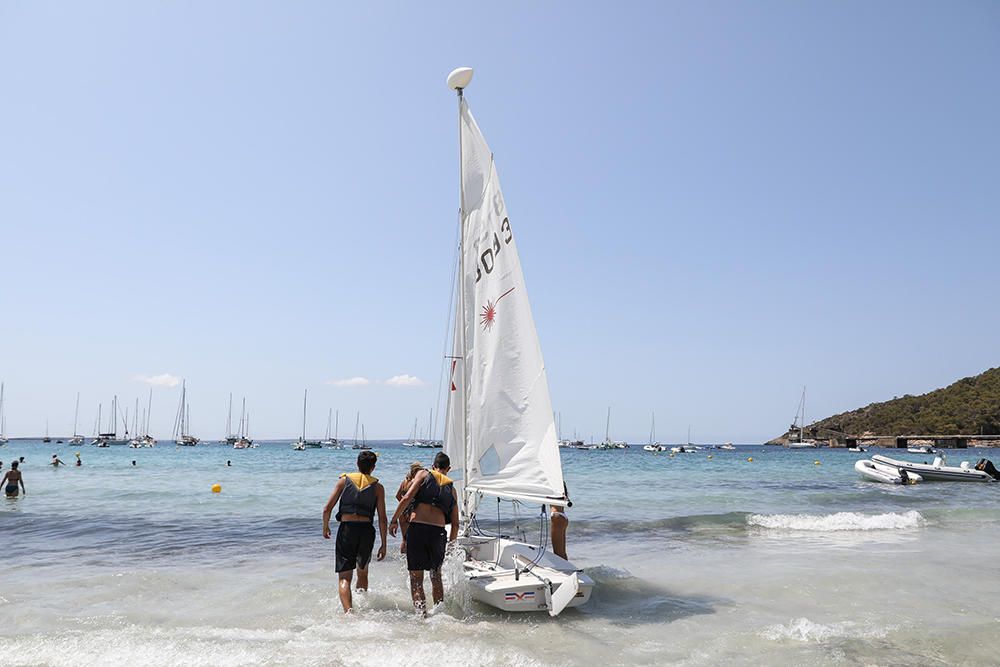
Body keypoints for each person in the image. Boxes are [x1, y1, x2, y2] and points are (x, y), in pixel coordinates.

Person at [389, 452, 459, 615]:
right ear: (448, 469)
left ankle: (422, 616)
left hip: (418, 530)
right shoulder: (452, 489)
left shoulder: (423, 474)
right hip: (438, 533)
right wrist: (451, 545)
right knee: (436, 576)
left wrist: (394, 520)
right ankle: (440, 614)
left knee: (416, 578)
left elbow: (406, 497)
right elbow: (455, 523)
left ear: (433, 466)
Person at [322, 450, 387, 613]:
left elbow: (327, 508)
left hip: (347, 530)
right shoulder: (378, 487)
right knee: (363, 573)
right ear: (373, 467)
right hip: (366, 532)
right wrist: (384, 544)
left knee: (344, 578)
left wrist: (325, 526)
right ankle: (363, 606)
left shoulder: (343, 481)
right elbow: (383, 518)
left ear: (357, 464)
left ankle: (349, 613)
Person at [394, 462, 424, 554]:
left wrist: (403, 505)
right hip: (411, 512)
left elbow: (398, 496)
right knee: (414, 539)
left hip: (402, 512)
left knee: (404, 539)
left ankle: (403, 559)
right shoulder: (415, 483)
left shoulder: (404, 482)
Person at [550, 483, 572, 560]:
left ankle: (565, 570)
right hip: (561, 516)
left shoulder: (556, 517)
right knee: (562, 553)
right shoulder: (562, 490)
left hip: (557, 517)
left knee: (558, 554)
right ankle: (568, 569)